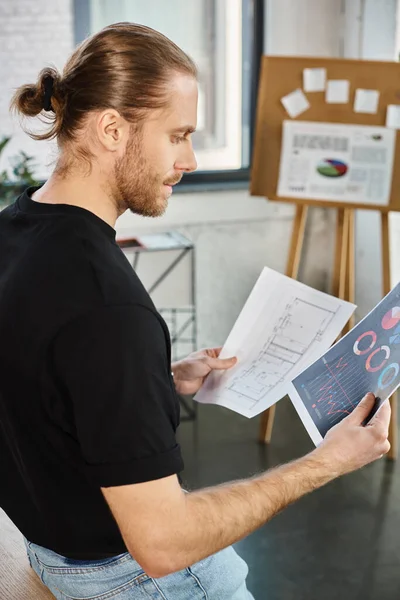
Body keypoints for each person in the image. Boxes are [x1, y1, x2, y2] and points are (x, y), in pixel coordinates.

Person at [0, 22, 390, 600]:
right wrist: (327, 462)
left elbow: (40, 377)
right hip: (132, 577)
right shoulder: (107, 308)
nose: (190, 158)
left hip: (51, 544)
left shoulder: (14, 229)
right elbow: (163, 545)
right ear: (112, 129)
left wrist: (154, 381)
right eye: (178, 134)